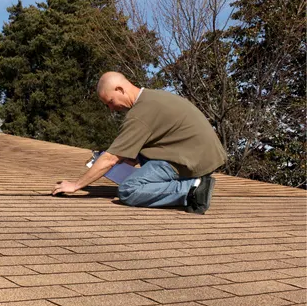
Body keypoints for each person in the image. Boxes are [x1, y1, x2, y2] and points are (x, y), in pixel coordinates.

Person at [52, 72, 226, 214]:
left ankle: (193, 189)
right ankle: (191, 184)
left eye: (110, 102)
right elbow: (151, 143)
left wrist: (76, 185)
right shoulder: (152, 97)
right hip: (200, 155)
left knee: (129, 190)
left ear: (120, 89)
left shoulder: (139, 115)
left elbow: (111, 158)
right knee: (133, 161)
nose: (111, 108)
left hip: (190, 160)